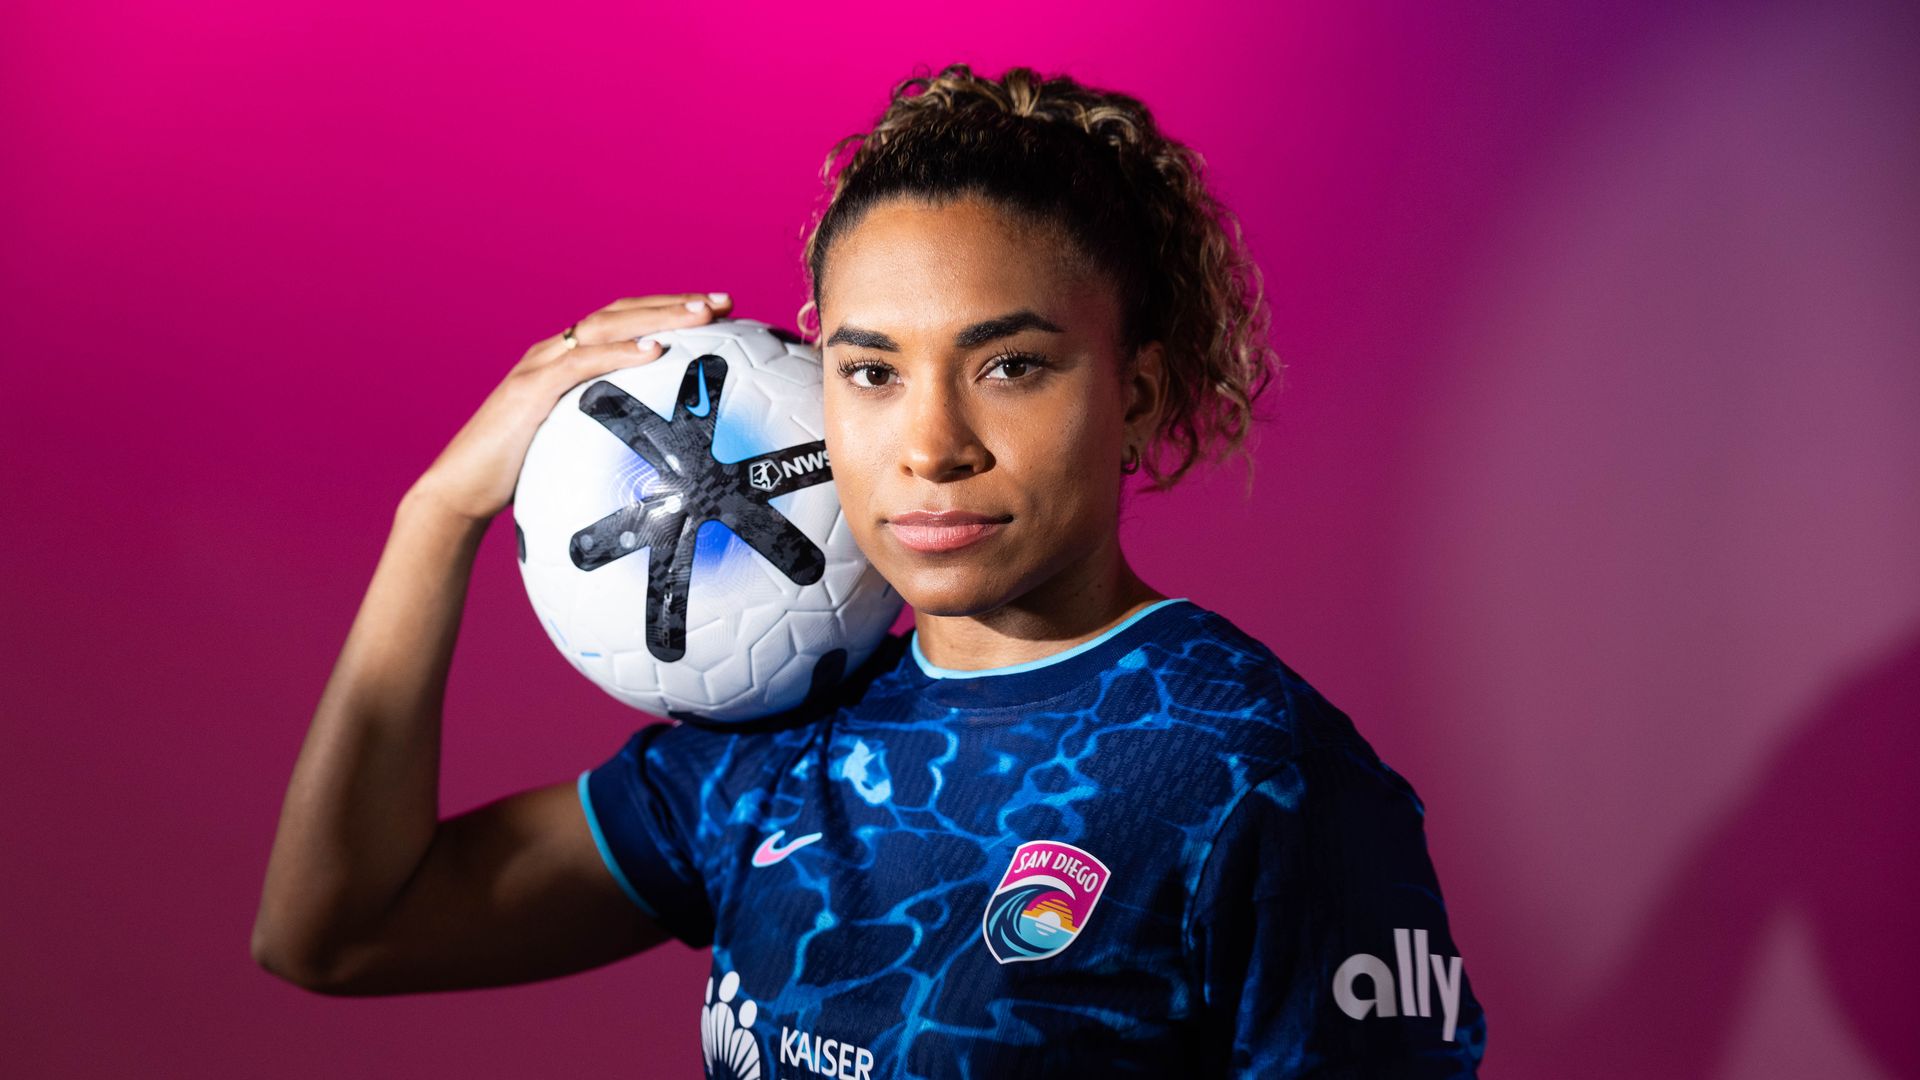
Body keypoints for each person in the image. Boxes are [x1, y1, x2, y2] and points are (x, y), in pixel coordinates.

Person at [253, 63, 1488, 1078]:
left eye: (1011, 366)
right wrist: (442, 512)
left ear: (1137, 395)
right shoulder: (778, 732)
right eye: (872, 371)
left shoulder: (1250, 771)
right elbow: (340, 927)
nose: (933, 447)